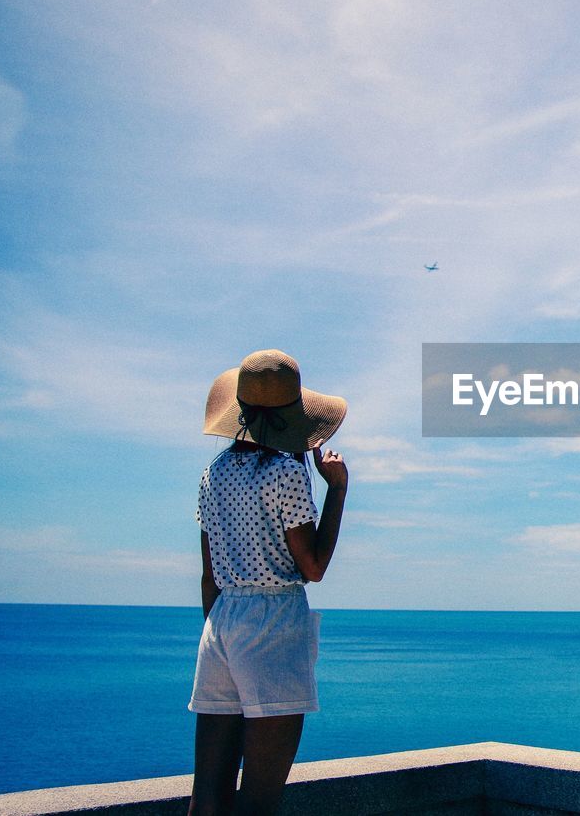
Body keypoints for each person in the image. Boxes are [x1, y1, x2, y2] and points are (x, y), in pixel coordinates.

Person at [188, 349, 349, 816]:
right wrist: (337, 487)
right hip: (272, 624)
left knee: (208, 792)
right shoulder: (284, 472)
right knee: (259, 795)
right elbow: (312, 567)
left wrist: (223, 631)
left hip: (220, 623)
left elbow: (208, 573)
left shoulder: (213, 473)